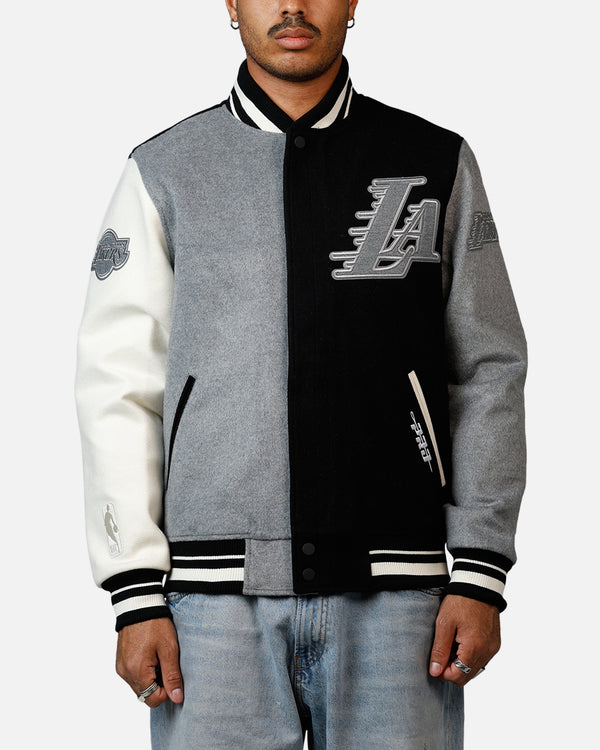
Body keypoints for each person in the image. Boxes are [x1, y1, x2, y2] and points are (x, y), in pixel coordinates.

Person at [75, 1, 527, 748]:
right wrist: (135, 592)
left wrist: (481, 569)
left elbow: (488, 368)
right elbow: (116, 387)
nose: (291, 5)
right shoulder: (166, 170)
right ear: (231, 4)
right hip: (210, 610)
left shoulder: (433, 159)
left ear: (352, 1)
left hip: (403, 602)